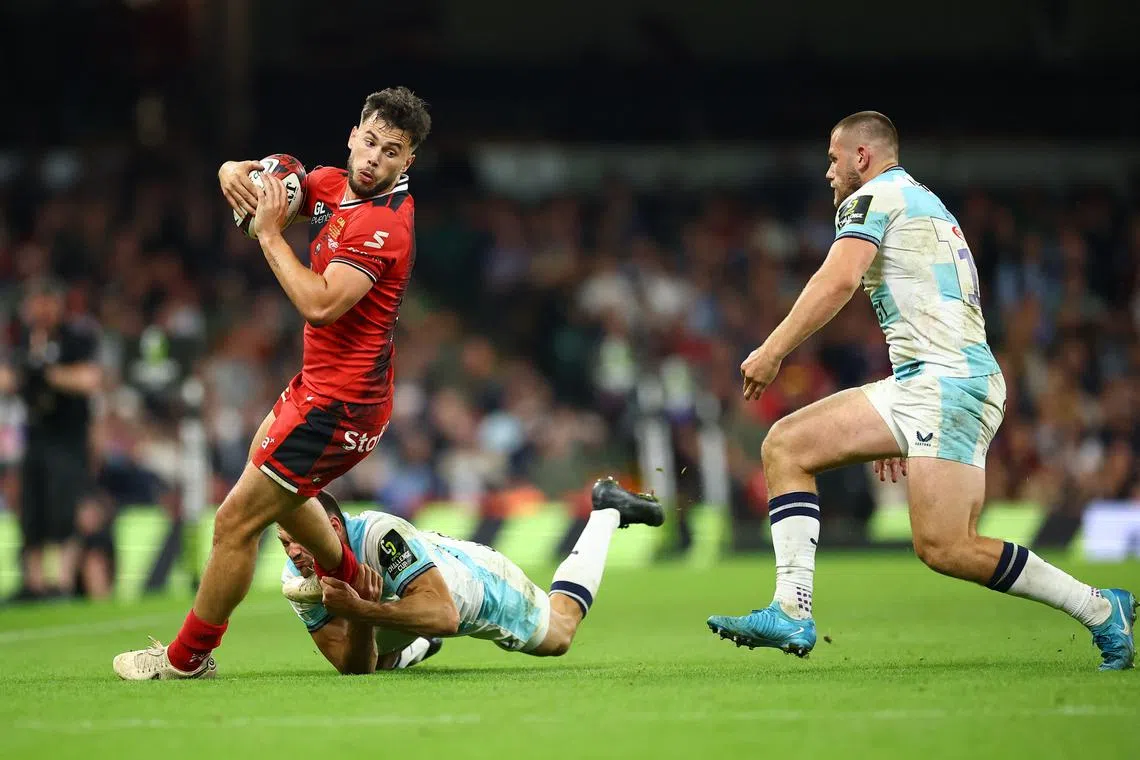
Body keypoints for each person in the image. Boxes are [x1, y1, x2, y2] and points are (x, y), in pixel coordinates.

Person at [707, 111, 1136, 671]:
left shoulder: (871, 199)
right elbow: (928, 312)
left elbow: (836, 280)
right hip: (935, 380)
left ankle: (1102, 609)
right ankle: (791, 608)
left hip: (944, 382)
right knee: (787, 447)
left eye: (834, 158)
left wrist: (773, 349)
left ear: (863, 156)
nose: (829, 171)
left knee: (947, 546)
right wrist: (896, 427)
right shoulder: (924, 203)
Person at [113, 87, 432, 680]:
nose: (373, 159)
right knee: (285, 504)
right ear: (352, 134)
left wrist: (267, 235)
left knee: (235, 521)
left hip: (340, 407)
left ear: (406, 162)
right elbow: (279, 180)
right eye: (369, 141)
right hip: (320, 388)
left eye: (391, 152)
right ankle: (346, 579)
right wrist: (232, 171)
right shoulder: (336, 184)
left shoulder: (385, 226)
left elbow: (319, 304)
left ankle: (186, 660)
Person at [279, 478, 663, 668]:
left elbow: (445, 616)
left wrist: (363, 611)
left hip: (473, 584)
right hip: (410, 590)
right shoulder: (295, 579)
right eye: (283, 543)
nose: (294, 552)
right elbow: (352, 667)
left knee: (560, 633)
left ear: (331, 527)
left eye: (298, 539)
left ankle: (606, 510)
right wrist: (360, 615)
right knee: (371, 655)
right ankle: (418, 646)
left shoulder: (382, 537)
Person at [6, 279, 101, 601]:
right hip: (35, 436)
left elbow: (89, 379)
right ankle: (33, 585)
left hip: (68, 438)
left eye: (45, 302)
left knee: (64, 509)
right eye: (34, 302)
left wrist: (46, 373)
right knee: (33, 509)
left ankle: (61, 583)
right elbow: (7, 377)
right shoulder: (22, 339)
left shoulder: (76, 337)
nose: (39, 310)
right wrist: (22, 373)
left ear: (56, 305)